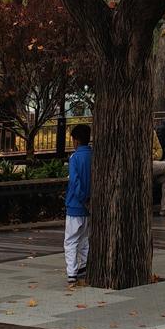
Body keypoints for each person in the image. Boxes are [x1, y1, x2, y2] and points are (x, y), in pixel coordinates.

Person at [64, 122, 92, 285]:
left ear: (75, 140)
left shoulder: (74, 158)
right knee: (83, 239)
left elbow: (74, 181)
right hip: (87, 206)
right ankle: (82, 266)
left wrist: (82, 197)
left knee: (71, 240)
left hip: (75, 204)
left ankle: (71, 271)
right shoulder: (93, 154)